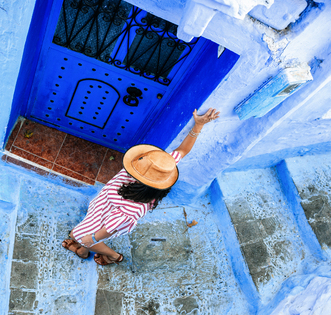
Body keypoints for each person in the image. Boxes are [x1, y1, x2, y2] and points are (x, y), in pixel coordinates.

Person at [62, 108, 220, 265]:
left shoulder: (131, 209)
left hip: (104, 220)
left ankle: (111, 256)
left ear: (141, 180)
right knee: (81, 235)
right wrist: (198, 126)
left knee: (77, 234)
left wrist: (93, 238)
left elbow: (109, 229)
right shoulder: (159, 171)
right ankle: (86, 247)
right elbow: (182, 151)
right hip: (102, 209)